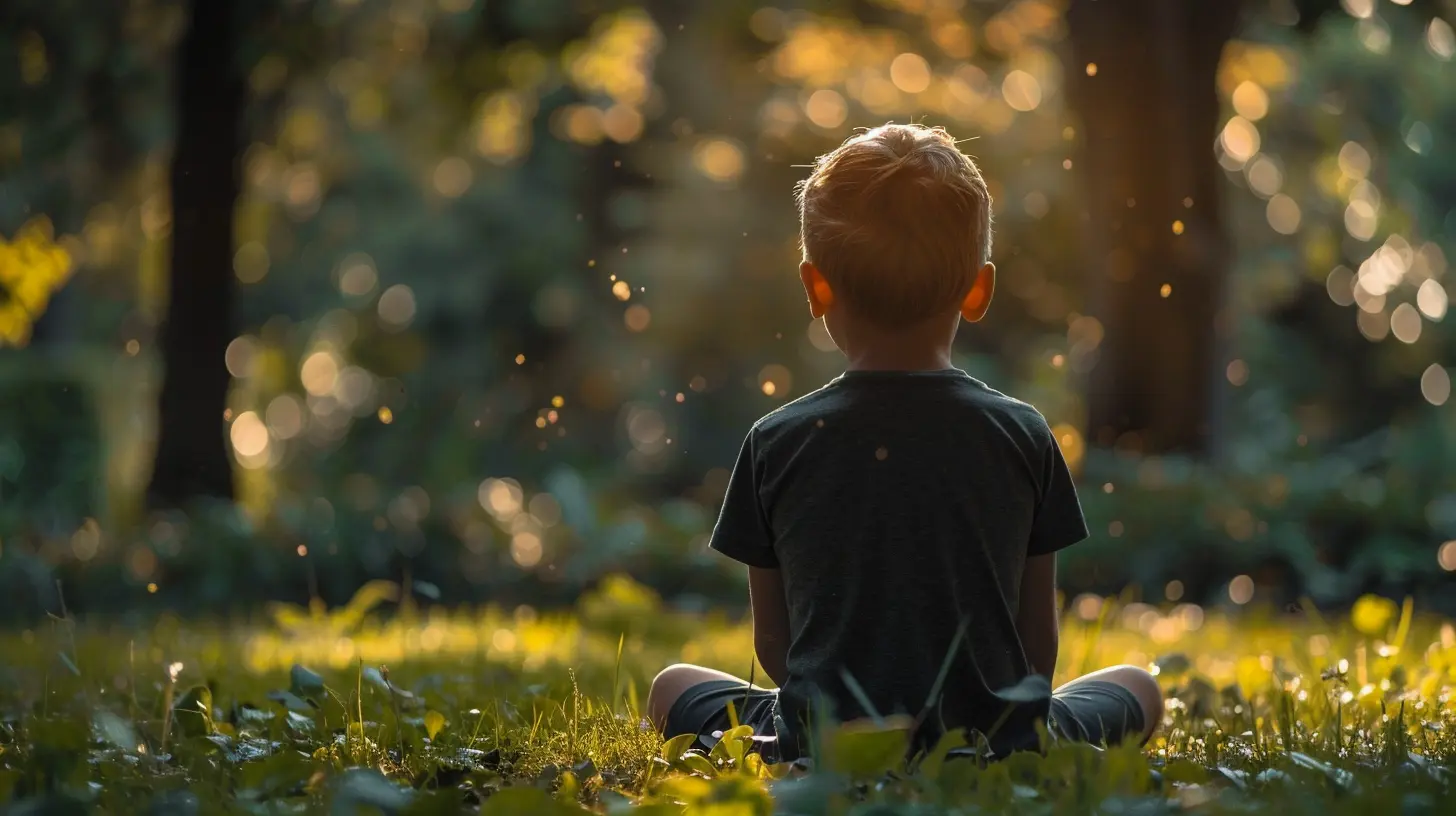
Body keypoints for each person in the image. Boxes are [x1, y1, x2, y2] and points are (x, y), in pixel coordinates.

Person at [644, 123, 1162, 763]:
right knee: (1140, 687)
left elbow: (777, 650)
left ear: (815, 286)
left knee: (673, 687)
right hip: (993, 740)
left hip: (827, 739)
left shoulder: (775, 442)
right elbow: (1037, 650)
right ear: (979, 289)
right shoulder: (1022, 433)